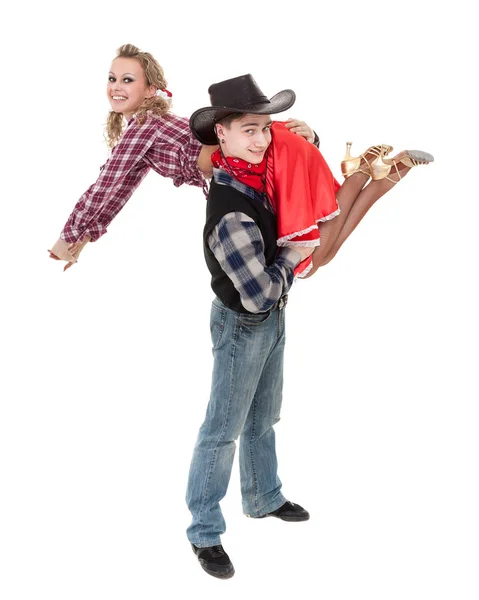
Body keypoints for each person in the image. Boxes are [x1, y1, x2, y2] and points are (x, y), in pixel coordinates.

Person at [185, 74, 433, 579]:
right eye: (248, 130)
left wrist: (307, 138)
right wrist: (293, 253)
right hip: (243, 322)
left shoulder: (255, 167)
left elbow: (288, 160)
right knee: (222, 431)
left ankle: (263, 497)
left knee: (264, 416)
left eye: (264, 129)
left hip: (270, 317)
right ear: (223, 137)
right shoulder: (230, 211)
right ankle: (205, 533)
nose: (260, 139)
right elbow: (258, 291)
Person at [48, 44, 317, 270]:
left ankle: (357, 172)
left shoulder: (145, 124)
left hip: (253, 159)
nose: (116, 87)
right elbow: (121, 188)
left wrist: (68, 235)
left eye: (128, 80)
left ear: (151, 89)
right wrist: (84, 236)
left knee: (312, 247)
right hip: (241, 169)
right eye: (112, 78)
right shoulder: (147, 126)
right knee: (305, 247)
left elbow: (105, 185)